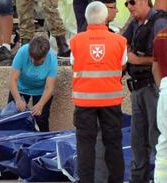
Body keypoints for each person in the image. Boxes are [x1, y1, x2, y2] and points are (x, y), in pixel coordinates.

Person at [70, 1, 128, 182]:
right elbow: (122, 64)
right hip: (111, 102)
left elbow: (74, 63)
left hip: (84, 102)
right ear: (105, 18)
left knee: (85, 146)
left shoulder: (76, 41)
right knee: (113, 144)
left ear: (87, 18)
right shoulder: (120, 41)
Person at [122, 0, 167, 182]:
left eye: (131, 2)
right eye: (126, 4)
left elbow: (159, 59)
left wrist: (136, 60)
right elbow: (122, 44)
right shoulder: (135, 23)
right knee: (137, 141)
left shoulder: (159, 23)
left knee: (157, 139)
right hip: (138, 88)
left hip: (152, 87)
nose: (129, 7)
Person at [8, 36, 57, 132]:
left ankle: (43, 143)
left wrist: (40, 104)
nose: (35, 62)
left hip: (41, 90)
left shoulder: (52, 59)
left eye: (40, 61)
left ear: (46, 56)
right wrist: (18, 100)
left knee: (41, 118)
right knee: (13, 117)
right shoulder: (22, 52)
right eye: (32, 59)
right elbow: (13, 80)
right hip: (21, 87)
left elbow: (49, 88)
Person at [152, 28, 167, 183]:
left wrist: (163, 88)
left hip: (165, 90)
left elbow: (155, 68)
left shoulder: (160, 35)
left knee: (164, 146)